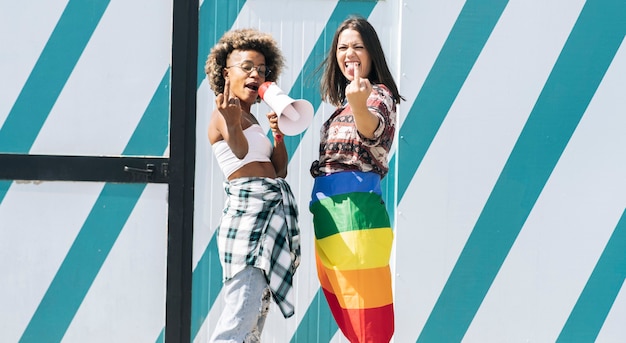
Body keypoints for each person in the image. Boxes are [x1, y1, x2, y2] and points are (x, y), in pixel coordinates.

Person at [309, 16, 404, 343]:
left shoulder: (379, 95)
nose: (349, 53)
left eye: (358, 46)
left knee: (367, 322)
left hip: (356, 212)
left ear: (372, 53)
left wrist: (359, 105)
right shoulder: (340, 107)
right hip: (331, 212)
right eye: (343, 47)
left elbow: (372, 129)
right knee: (350, 316)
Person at [205, 28, 301, 343]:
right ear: (225, 72)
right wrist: (232, 123)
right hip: (248, 228)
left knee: (251, 324)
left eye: (261, 69)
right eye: (246, 67)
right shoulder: (223, 113)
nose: (255, 74)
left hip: (265, 224)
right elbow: (240, 152)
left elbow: (279, 170)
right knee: (239, 320)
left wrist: (278, 135)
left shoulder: (254, 120)